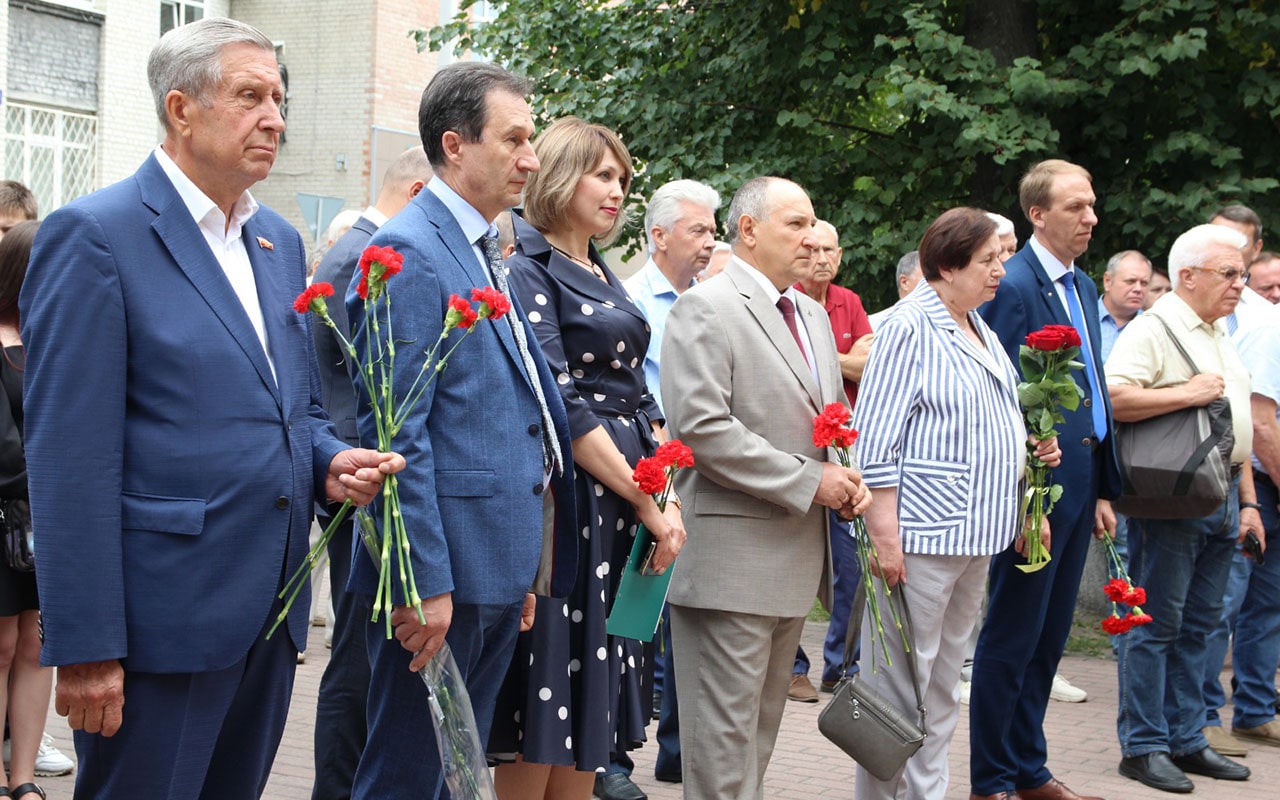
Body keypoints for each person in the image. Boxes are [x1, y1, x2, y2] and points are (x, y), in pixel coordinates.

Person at [18, 18, 403, 799]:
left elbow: (289, 403)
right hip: (160, 625)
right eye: (250, 97)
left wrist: (329, 458)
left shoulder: (276, 242)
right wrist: (87, 647)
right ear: (180, 110)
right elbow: (67, 460)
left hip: (269, 613)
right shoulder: (94, 236)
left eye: (281, 99)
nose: (276, 119)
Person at [345, 62, 578, 800]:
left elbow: (510, 414)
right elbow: (397, 435)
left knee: (454, 770)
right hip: (444, 575)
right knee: (408, 775)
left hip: (491, 565)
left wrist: (525, 568)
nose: (531, 158)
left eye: (531, 139)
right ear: (455, 145)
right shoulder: (414, 253)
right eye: (513, 140)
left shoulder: (479, 246)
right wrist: (425, 581)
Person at [485, 116, 685, 800]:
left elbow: (639, 396)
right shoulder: (528, 267)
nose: (617, 191)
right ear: (562, 173)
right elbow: (560, 406)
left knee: (589, 723)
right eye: (602, 174)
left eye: (623, 180)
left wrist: (667, 493)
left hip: (624, 506)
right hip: (573, 511)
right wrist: (646, 499)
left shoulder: (600, 268)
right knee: (548, 706)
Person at [660, 176, 870, 800]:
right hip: (731, 563)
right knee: (721, 752)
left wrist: (845, 475)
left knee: (758, 741)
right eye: (796, 224)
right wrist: (813, 481)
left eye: (814, 225)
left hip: (793, 560)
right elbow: (702, 429)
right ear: (748, 231)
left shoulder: (807, 311)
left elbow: (825, 420)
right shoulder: (706, 306)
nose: (812, 240)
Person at [853, 206, 1059, 799]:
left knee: (942, 684)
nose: (1001, 270)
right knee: (897, 686)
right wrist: (884, 538)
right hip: (920, 537)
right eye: (989, 260)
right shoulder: (909, 327)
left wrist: (1029, 451)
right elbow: (876, 439)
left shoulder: (978, 325)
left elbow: (983, 422)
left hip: (973, 534)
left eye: (1001, 259)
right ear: (947, 265)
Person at [972, 159, 1121, 800]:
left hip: (1080, 484)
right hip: (1034, 488)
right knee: (1013, 632)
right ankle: (993, 776)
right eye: (1076, 207)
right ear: (1038, 214)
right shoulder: (1014, 283)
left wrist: (1105, 487)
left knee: (1051, 635)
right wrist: (1023, 477)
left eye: (1092, 205)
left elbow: (1092, 390)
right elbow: (1001, 388)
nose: (1090, 217)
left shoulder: (1083, 285)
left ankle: (1028, 765)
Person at [1106, 223, 1259, 793]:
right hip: (1171, 502)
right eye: (1229, 274)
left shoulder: (1218, 330)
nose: (1239, 284)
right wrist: (1186, 393)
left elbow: (1232, 429)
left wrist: (1248, 505)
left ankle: (1187, 738)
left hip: (1220, 499)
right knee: (1154, 628)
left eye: (1242, 274)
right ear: (1188, 275)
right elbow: (1115, 397)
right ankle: (1144, 747)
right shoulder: (1154, 329)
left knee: (1202, 629)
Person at [308, 145, 432, 800]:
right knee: (356, 663)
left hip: (358, 470)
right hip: (359, 477)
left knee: (360, 657)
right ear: (418, 190)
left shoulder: (369, 246)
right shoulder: (369, 255)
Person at [623, 177, 721, 791]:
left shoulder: (707, 302)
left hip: (698, 481)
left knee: (689, 617)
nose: (710, 243)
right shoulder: (629, 302)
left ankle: (679, 751)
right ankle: (612, 754)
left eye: (714, 231)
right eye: (698, 231)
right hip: (642, 479)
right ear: (658, 236)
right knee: (638, 621)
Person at [1200, 259, 1280, 756]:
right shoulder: (1265, 330)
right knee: (1222, 603)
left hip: (1263, 481)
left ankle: (1255, 710)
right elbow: (1261, 424)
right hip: (1256, 482)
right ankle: (1204, 717)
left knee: (1267, 604)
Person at [791, 219, 872, 702]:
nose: (821, 257)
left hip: (844, 451)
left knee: (853, 564)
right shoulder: (786, 301)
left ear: (840, 255)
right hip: (799, 449)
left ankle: (840, 667)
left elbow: (870, 364)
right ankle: (793, 666)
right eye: (813, 248)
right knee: (796, 560)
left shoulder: (850, 302)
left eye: (829, 250)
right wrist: (841, 357)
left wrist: (826, 359)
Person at [0, 221, 55, 800]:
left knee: (38, 646)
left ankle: (24, 778)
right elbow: (6, 451)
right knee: (2, 647)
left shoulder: (52, 336)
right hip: (8, 517)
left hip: (43, 523)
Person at [1098, 250, 1152, 362]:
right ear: (1107, 281)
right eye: (1130, 281)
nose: (1138, 289)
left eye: (1144, 283)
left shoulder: (1153, 327)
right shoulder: (1082, 317)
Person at [868, 250, 922, 329]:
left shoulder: (942, 322)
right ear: (904, 282)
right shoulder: (873, 325)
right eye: (927, 280)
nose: (936, 287)